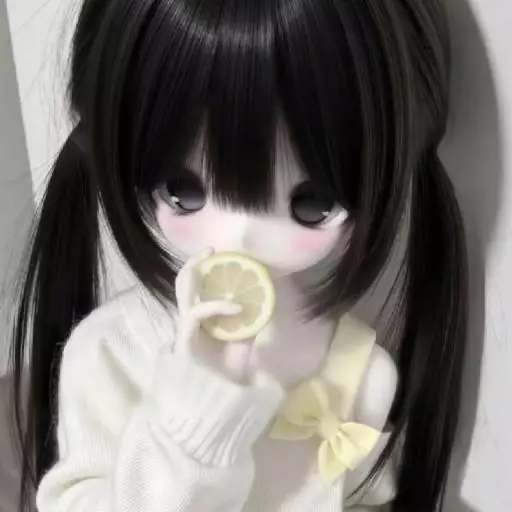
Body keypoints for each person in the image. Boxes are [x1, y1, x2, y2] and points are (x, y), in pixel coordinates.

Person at [9, 1, 468, 511]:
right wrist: (192, 430)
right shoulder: (110, 354)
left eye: (311, 203)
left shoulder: (361, 374)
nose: (240, 236)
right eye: (182, 190)